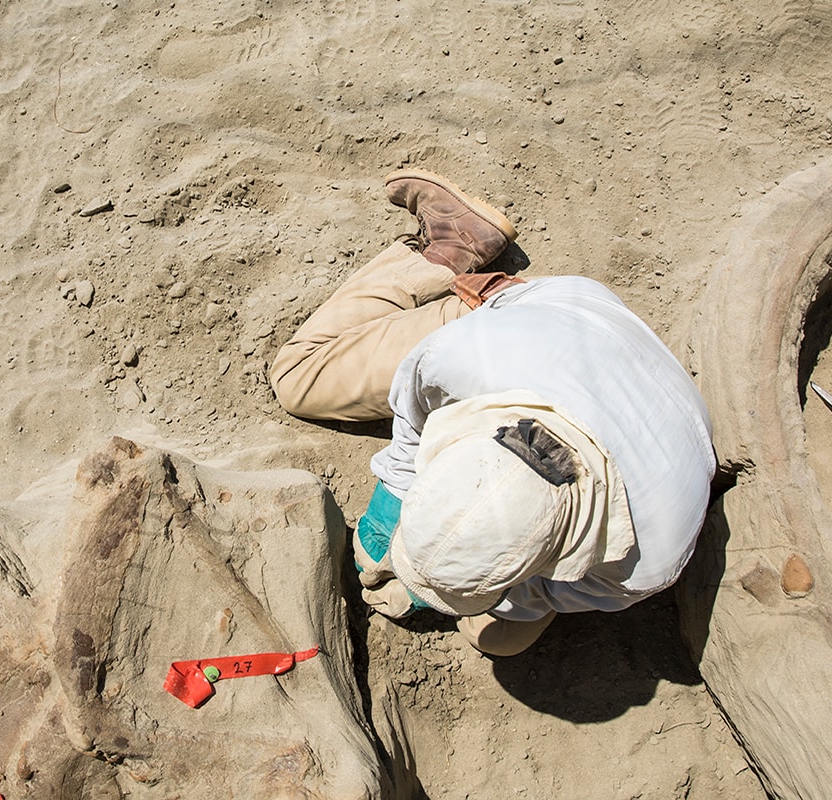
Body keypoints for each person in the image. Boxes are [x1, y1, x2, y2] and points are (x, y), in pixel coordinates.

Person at [271, 170, 716, 656]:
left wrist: (440, 591)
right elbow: (412, 428)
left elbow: (539, 593)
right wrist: (395, 504)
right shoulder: (458, 360)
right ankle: (453, 247)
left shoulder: (643, 566)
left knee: (496, 639)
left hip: (599, 343)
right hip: (552, 317)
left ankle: (448, 250)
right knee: (301, 380)